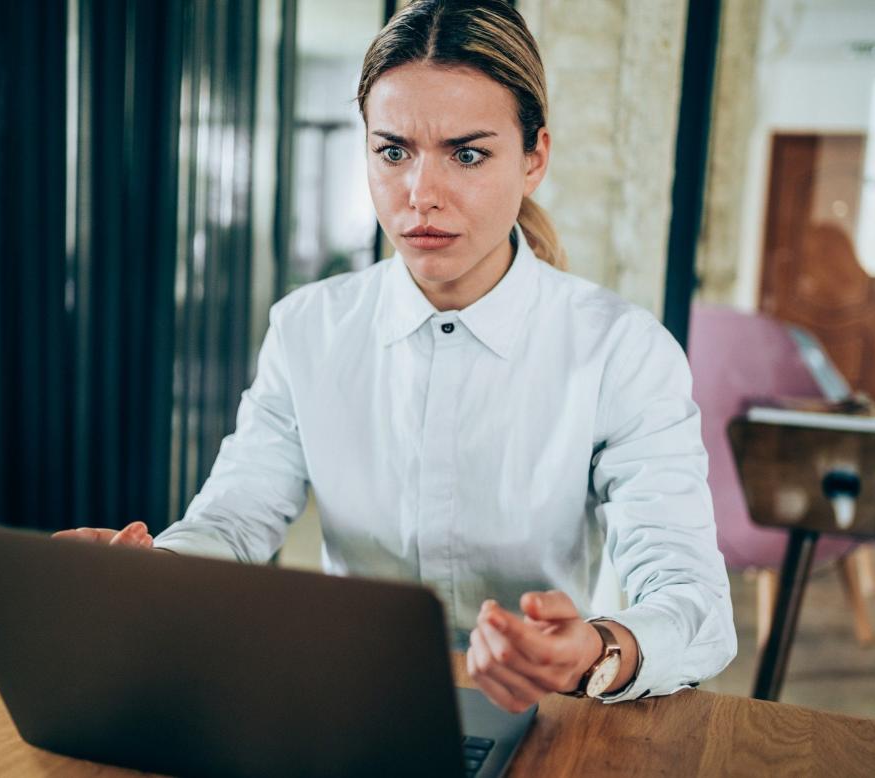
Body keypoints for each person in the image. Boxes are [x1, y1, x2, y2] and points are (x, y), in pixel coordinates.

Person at [56, 0, 736, 713]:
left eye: (467, 154)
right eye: (393, 152)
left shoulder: (620, 351)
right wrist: (153, 574)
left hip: (546, 719)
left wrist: (596, 648)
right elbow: (233, 519)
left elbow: (693, 601)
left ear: (534, 156)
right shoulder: (306, 329)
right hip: (348, 703)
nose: (421, 196)